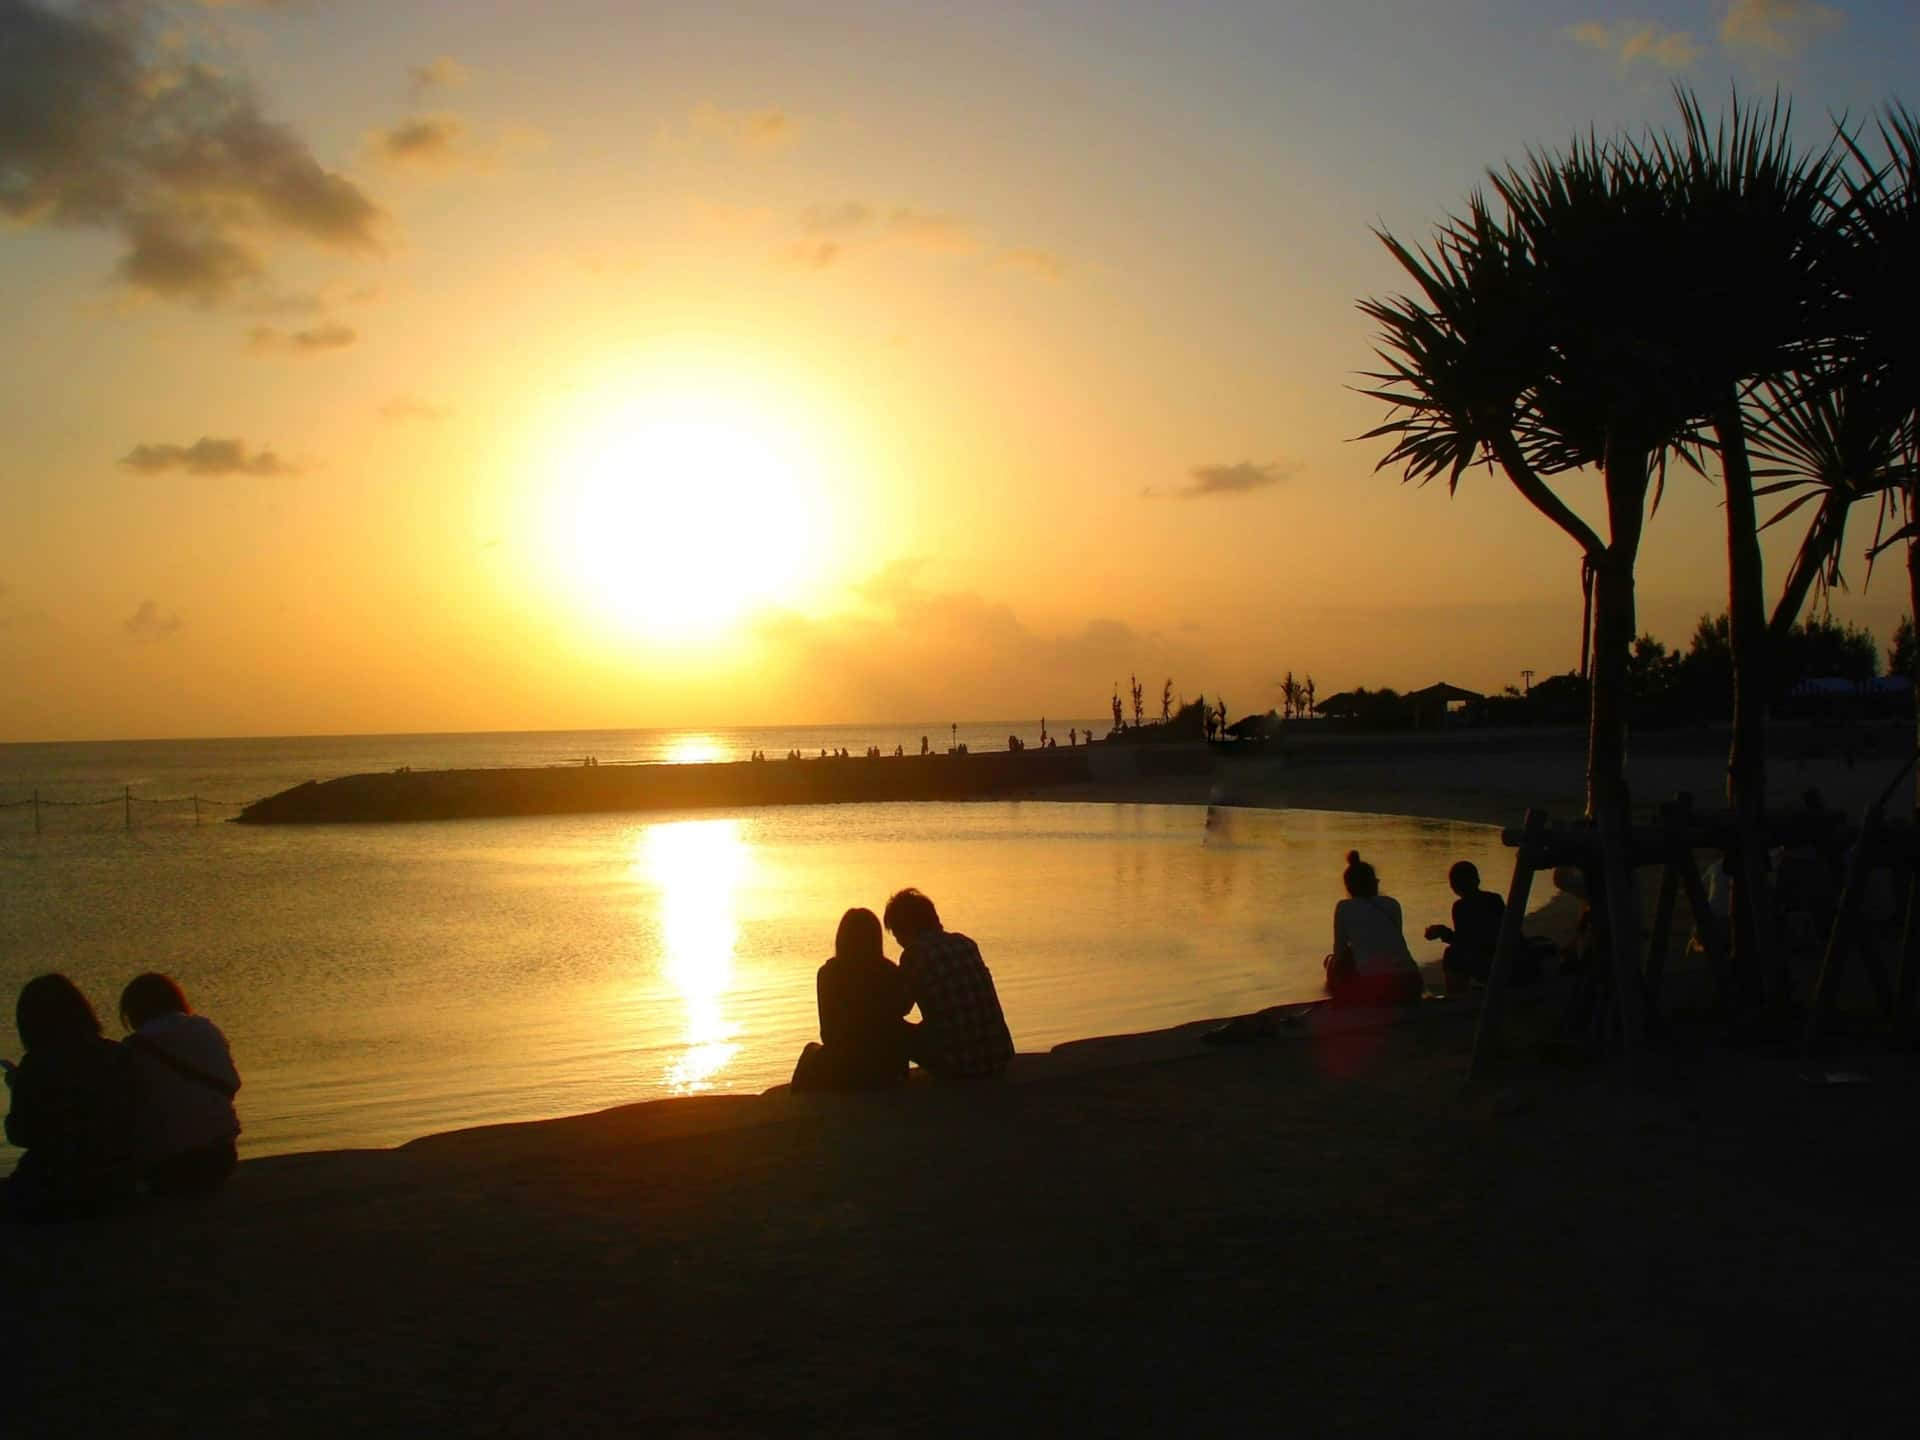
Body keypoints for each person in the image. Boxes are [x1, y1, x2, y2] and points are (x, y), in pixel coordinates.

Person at [2, 974, 134, 1221]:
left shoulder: (37, 1067)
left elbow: (21, 1133)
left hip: (57, 1186)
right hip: (117, 1183)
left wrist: (18, 1087)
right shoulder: (117, 1054)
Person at [119, 973, 241, 1194]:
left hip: (167, 1165)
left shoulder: (132, 1048)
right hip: (222, 1156)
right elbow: (232, 1083)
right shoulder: (206, 1028)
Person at [886, 888, 1014, 1079]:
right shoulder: (965, 943)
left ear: (904, 929)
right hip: (998, 1055)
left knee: (889, 1026)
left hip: (957, 1063)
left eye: (896, 934)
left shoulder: (914, 955)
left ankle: (893, 1080)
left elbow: (900, 1007)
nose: (898, 942)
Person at [791, 909, 910, 1092]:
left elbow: (828, 1034)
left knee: (810, 1051)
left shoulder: (828, 974)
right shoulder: (889, 971)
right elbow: (901, 1010)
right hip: (887, 1065)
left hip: (845, 1067)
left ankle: (797, 1104)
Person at [1325, 851, 1423, 1005]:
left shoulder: (1344, 908)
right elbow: (1389, 939)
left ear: (1348, 887)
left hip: (1376, 986)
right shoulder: (1392, 904)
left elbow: (1340, 951)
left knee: (1332, 962)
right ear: (1374, 883)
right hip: (1412, 982)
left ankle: (1342, 1004)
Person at [1425, 860, 1507, 996]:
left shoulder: (1461, 906)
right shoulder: (1495, 899)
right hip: (1504, 954)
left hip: (1490, 961)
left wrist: (1442, 932)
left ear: (1454, 886)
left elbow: (1464, 942)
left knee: (1452, 954)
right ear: (1477, 880)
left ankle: (1455, 995)